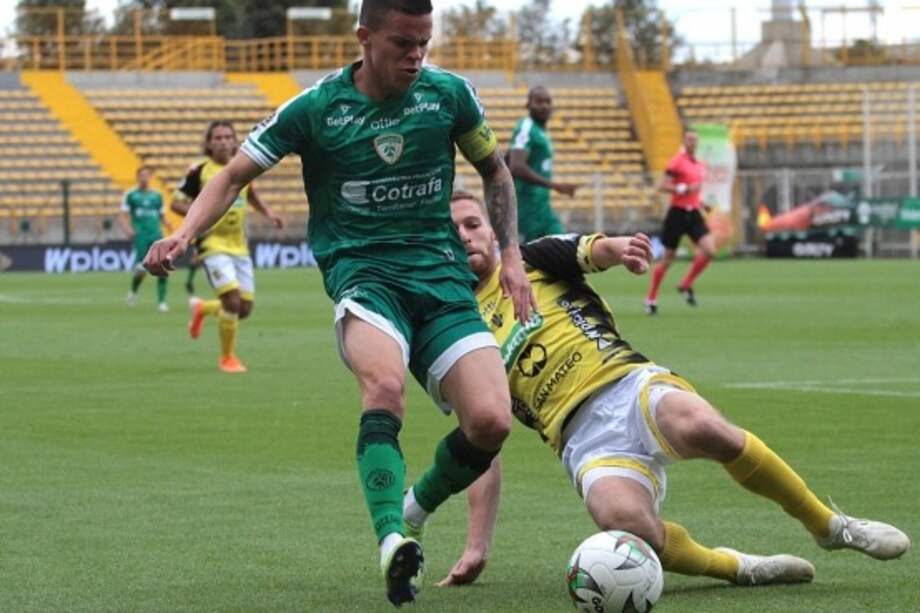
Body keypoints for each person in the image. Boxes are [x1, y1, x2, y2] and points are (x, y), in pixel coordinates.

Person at [144, 0, 534, 606]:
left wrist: (510, 255)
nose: (415, 56)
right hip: (364, 276)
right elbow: (228, 177)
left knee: (491, 423)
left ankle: (413, 507)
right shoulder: (316, 108)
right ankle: (390, 542)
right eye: (402, 43)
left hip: (440, 279)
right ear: (364, 37)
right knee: (384, 387)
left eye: (424, 43)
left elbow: (497, 171)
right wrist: (183, 234)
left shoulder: (451, 95)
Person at [415, 190, 910, 590]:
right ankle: (737, 568)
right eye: (450, 229)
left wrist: (621, 250)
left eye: (471, 224)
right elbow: (480, 440)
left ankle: (828, 527)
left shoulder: (529, 258)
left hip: (627, 384)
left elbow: (592, 249)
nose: (463, 235)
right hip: (581, 438)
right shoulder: (455, 326)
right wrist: (477, 545)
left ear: (491, 227)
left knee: (706, 428)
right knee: (624, 521)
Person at [170, 120, 284, 374]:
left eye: (227, 137)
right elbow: (176, 204)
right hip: (212, 244)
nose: (222, 142)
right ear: (209, 143)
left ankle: (202, 308)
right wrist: (203, 216)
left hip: (239, 245)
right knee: (232, 303)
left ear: (235, 141)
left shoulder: (242, 167)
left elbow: (250, 193)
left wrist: (268, 212)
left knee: (244, 309)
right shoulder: (199, 170)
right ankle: (227, 359)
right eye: (217, 138)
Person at [645, 129, 715, 315]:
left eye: (695, 140)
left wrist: (702, 203)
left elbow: (694, 192)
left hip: (693, 213)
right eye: (689, 139)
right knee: (668, 259)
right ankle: (651, 298)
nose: (693, 142)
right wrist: (683, 188)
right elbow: (662, 185)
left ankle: (685, 284)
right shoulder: (677, 161)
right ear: (684, 141)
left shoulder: (699, 165)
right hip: (677, 214)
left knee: (709, 250)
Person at [508, 86, 577, 242]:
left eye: (548, 101)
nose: (544, 105)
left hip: (542, 207)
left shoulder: (541, 131)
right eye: (539, 101)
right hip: (527, 208)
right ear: (528, 105)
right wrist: (555, 186)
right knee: (532, 259)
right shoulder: (526, 128)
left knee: (561, 248)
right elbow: (516, 166)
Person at [119, 165, 171, 312]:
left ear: (150, 177)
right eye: (141, 175)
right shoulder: (131, 195)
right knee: (141, 270)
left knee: (162, 267)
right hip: (141, 236)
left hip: (156, 235)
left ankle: (161, 302)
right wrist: (128, 229)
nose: (144, 178)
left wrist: (170, 227)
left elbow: (161, 215)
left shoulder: (157, 195)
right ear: (137, 177)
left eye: (147, 175)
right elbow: (122, 214)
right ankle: (133, 291)